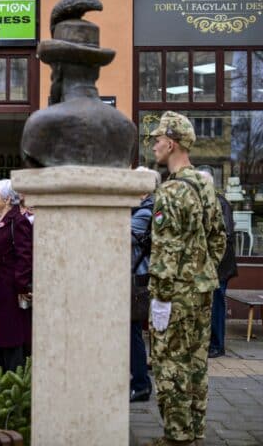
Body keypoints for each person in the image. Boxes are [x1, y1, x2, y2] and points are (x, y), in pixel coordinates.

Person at [147, 111, 226, 446]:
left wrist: (161, 297)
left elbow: (165, 251)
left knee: (169, 365)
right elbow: (218, 238)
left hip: (175, 295)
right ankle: (195, 432)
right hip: (202, 289)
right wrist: (202, 271)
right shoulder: (204, 184)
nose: (153, 145)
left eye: (157, 139)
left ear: (172, 143)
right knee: (195, 363)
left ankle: (176, 438)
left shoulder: (170, 190)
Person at [0, 180, 32, 373]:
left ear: (8, 199)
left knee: (10, 331)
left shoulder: (18, 221)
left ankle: (13, 374)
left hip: (9, 286)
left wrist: (21, 286)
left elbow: (25, 257)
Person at [197, 167, 238, 359]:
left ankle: (217, 345)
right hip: (211, 264)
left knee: (217, 305)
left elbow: (225, 234)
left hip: (220, 265)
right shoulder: (206, 202)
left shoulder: (220, 202)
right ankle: (209, 342)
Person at [129, 167, 160, 403]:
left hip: (136, 279)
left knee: (133, 332)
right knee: (130, 332)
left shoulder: (145, 212)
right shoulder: (139, 208)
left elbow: (120, 234)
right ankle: (136, 380)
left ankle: (141, 384)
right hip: (132, 277)